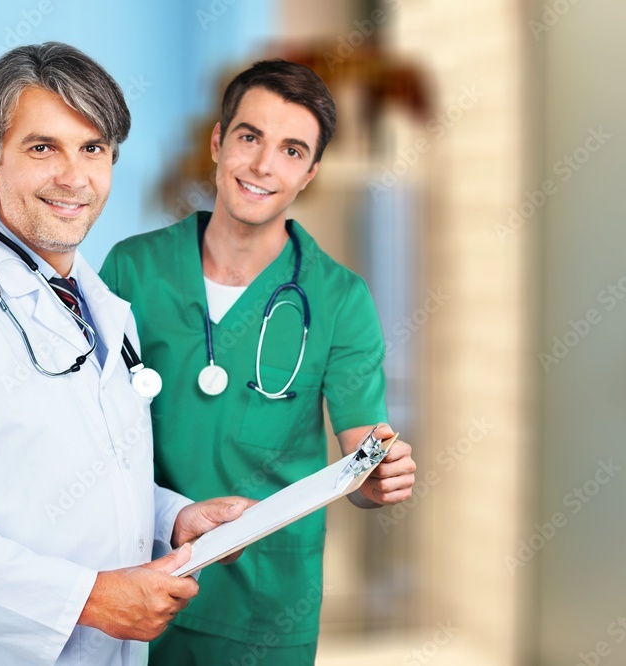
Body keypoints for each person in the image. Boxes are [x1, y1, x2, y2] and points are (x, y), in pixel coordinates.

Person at [0, 42, 253, 665]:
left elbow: (79, 479)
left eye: (93, 149)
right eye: (43, 148)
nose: (74, 177)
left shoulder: (106, 313)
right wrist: (88, 598)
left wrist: (173, 518)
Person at [100, 59, 417, 665]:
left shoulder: (340, 299)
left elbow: (360, 453)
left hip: (263, 609)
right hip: (133, 582)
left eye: (292, 150)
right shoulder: (131, 269)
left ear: (311, 173)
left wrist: (377, 478)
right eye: (249, 137)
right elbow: (87, 425)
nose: (263, 166)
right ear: (218, 143)